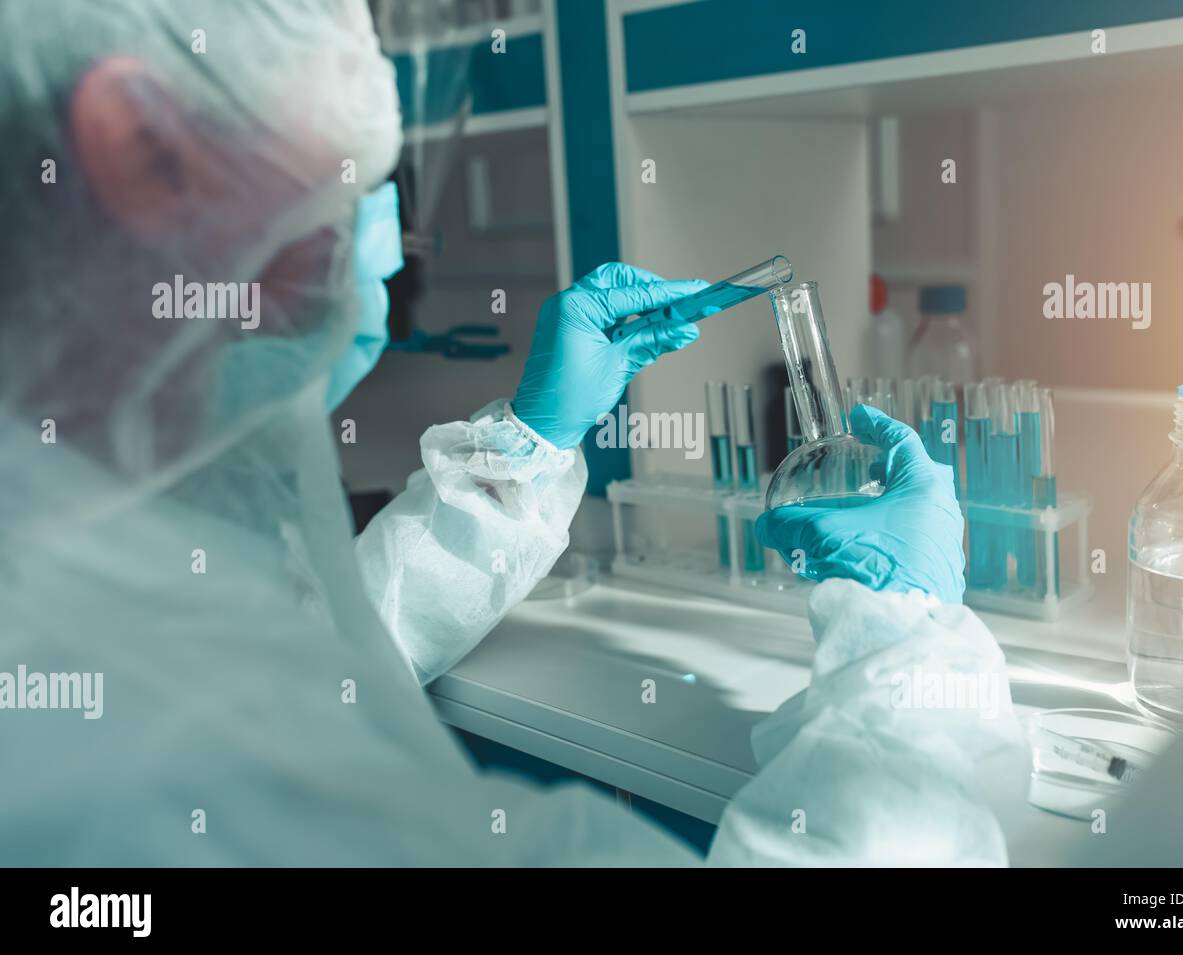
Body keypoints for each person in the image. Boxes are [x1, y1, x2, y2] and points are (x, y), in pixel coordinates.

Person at [0, 0, 1027, 866]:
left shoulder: (89, 548)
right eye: (349, 183)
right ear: (140, 144)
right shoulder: (109, 764)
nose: (385, 245)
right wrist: (905, 673)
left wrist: (530, 443)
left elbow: (311, 656)